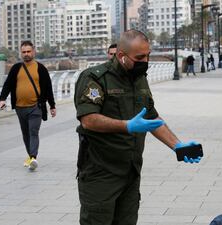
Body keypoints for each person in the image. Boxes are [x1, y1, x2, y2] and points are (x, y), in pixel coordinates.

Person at [74, 30, 202, 225]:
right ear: (121, 56)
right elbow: (88, 119)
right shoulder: (95, 78)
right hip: (100, 174)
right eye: (139, 57)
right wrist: (127, 126)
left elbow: (151, 117)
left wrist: (177, 145)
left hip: (131, 172)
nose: (145, 61)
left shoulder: (139, 78)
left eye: (148, 55)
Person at [0, 40, 56, 171]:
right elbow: (7, 85)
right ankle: (30, 157)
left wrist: (52, 106)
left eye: (28, 51)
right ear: (21, 53)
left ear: (33, 52)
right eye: (24, 52)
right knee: (25, 134)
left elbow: (48, 88)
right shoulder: (16, 68)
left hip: (36, 107)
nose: (26, 54)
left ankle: (33, 156)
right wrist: (2, 99)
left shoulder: (40, 68)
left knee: (33, 132)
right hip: (20, 108)